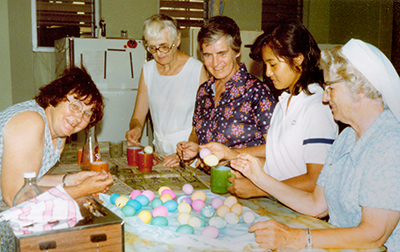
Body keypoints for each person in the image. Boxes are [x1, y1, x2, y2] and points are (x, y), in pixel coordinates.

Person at [230, 39, 400, 250]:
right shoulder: (347, 137)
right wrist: (259, 178)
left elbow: (374, 234)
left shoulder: (391, 142)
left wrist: (298, 238)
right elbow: (316, 205)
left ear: (359, 89)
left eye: (330, 88)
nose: (325, 98)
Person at [201, 20, 337, 197]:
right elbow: (276, 165)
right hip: (280, 202)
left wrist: (259, 189)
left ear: (298, 59)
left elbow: (316, 180)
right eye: (266, 65)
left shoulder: (317, 106)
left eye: (273, 65)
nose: (267, 73)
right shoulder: (284, 102)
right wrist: (232, 158)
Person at [0, 67, 114, 207]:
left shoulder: (59, 133)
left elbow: (31, 181)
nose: (78, 118)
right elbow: (16, 197)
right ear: (57, 96)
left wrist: (71, 179)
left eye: (86, 114)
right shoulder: (30, 121)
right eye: (75, 106)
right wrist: (81, 189)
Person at [175, 16, 276, 171]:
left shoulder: (257, 93)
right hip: (207, 179)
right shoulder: (204, 91)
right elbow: (196, 132)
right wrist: (194, 147)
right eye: (208, 55)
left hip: (245, 182)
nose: (215, 63)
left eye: (222, 53)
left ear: (236, 51)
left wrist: (229, 154)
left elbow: (274, 149)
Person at [125, 14, 208, 166]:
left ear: (177, 40)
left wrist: (184, 152)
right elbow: (138, 116)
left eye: (164, 46)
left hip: (189, 156)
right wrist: (136, 128)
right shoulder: (148, 70)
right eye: (152, 48)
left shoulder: (196, 70)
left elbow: (204, 121)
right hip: (161, 155)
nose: (159, 54)